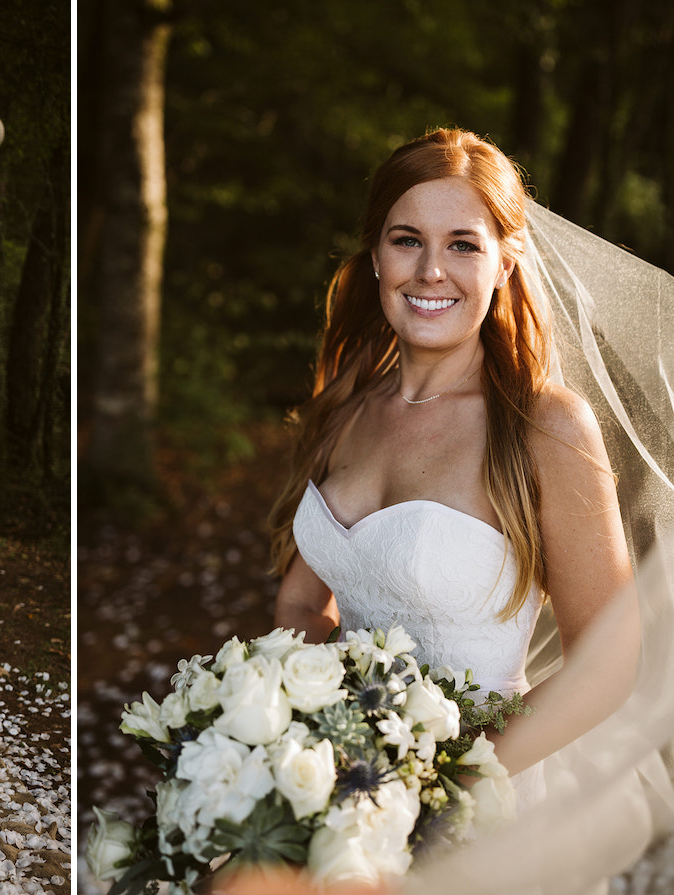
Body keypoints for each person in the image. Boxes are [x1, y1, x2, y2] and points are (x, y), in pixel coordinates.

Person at [267, 128, 674, 892]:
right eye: (406, 239)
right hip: (342, 787)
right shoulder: (348, 402)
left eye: (463, 244)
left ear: (504, 260)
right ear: (377, 256)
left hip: (484, 807)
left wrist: (435, 786)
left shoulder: (542, 425)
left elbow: (610, 661)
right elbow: (300, 597)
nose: (430, 270)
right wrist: (312, 730)